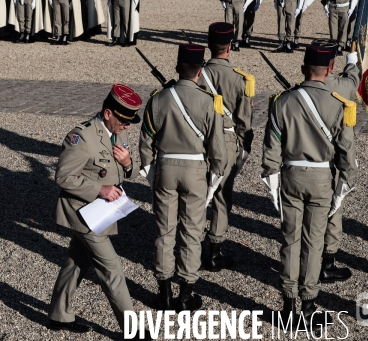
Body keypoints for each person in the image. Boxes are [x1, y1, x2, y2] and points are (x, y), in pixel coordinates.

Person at [262, 45, 357, 329]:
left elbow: (271, 149)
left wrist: (271, 179)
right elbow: (346, 150)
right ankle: (309, 305)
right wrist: (346, 182)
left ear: (303, 67)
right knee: (314, 243)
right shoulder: (339, 103)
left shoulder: (282, 101)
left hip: (291, 175)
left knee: (290, 240)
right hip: (322, 179)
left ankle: (288, 305)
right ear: (329, 71)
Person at [139, 44, 227, 312]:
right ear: (200, 72)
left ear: (177, 68)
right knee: (192, 231)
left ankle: (164, 292)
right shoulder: (210, 101)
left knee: (164, 231)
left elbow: (146, 142)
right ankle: (186, 292)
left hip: (165, 168)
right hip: (196, 171)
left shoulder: (158, 99)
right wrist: (215, 177)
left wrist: (151, 172)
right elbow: (218, 149)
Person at [48, 84, 141, 335]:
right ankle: (131, 330)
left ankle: (59, 315)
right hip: (85, 213)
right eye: (124, 119)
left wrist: (128, 163)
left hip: (102, 212)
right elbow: (64, 177)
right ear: (108, 113)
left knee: (76, 261)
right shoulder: (81, 137)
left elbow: (128, 171)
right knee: (112, 269)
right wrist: (100, 189)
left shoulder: (118, 132)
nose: (128, 126)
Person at [198, 22, 254, 271]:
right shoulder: (241, 79)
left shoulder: (197, 74)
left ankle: (193, 244)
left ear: (210, 46)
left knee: (198, 193)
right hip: (228, 141)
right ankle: (215, 250)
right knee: (222, 195)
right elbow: (244, 121)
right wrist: (244, 145)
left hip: (199, 140)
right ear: (230, 47)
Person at [311, 40, 359, 284]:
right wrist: (351, 61)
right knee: (333, 214)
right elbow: (352, 83)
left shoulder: (298, 90)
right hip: (328, 165)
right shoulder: (337, 85)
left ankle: (305, 263)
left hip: (301, 165)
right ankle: (327, 263)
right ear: (330, 66)